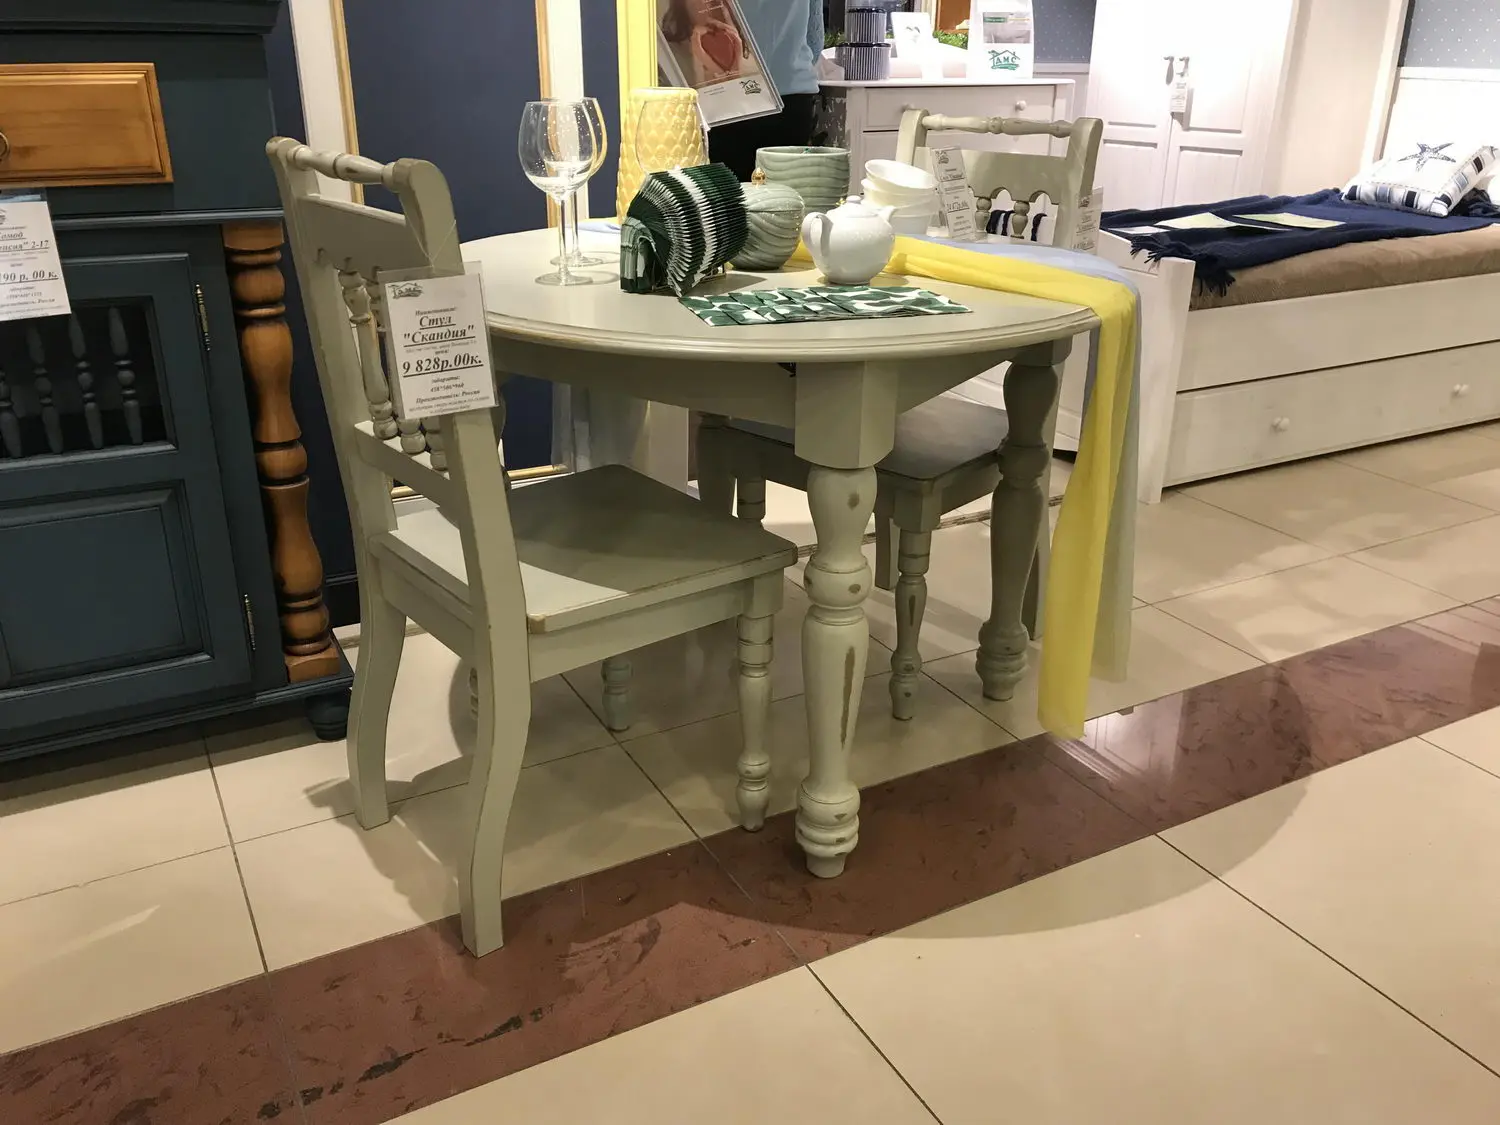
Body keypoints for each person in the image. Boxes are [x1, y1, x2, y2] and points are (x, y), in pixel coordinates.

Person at [704, 0, 826, 181]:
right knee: (785, 191)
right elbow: (814, 42)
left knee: (730, 192)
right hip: (792, 91)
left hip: (729, 94)